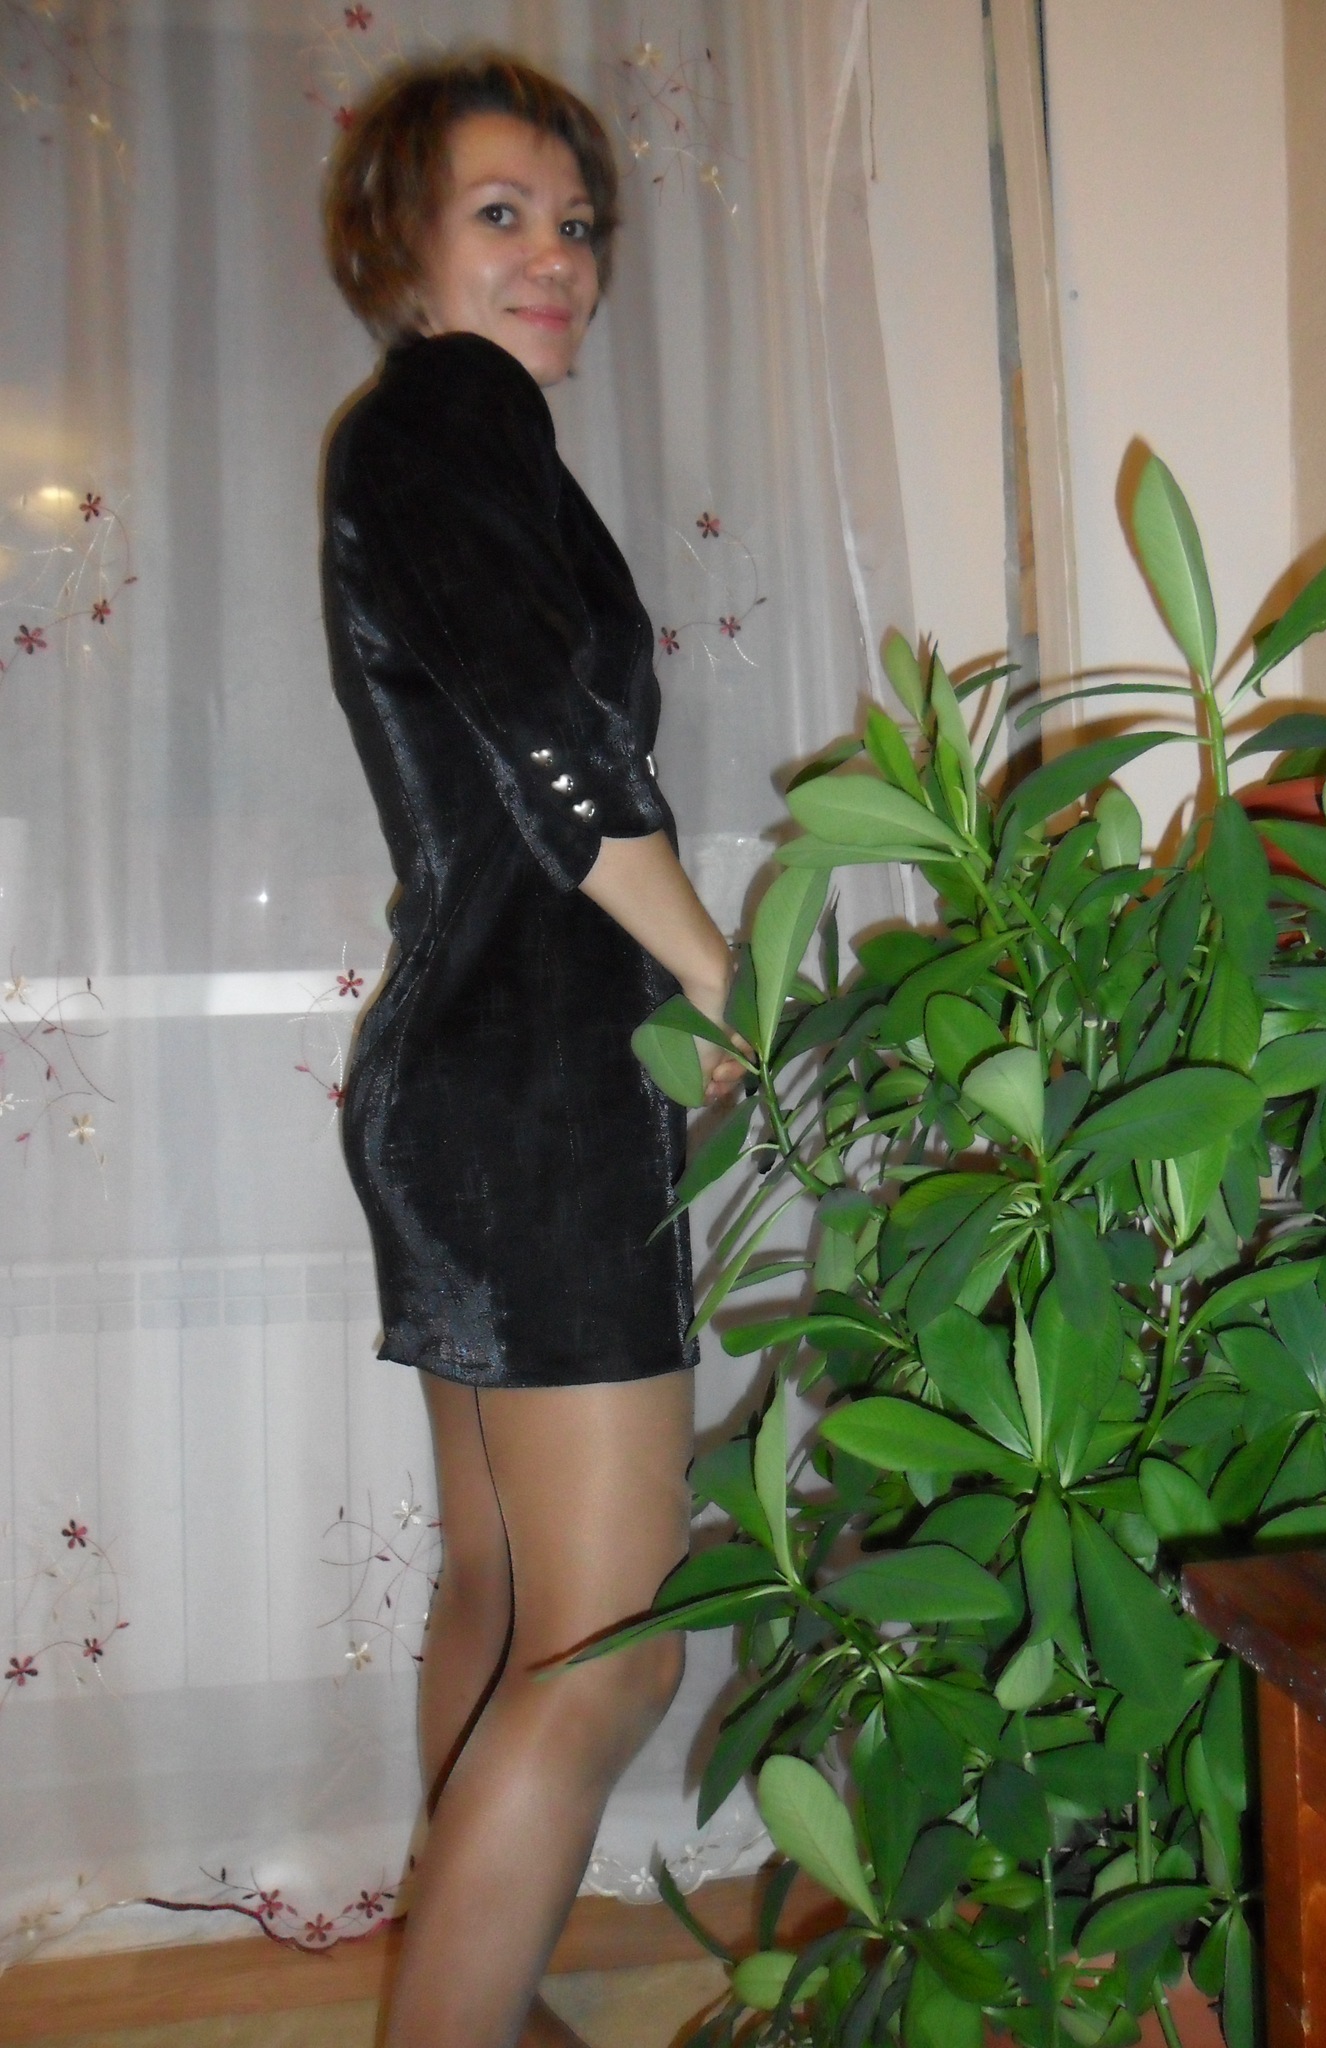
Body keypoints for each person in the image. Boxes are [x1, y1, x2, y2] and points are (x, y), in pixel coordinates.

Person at [320, 52, 741, 2048]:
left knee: (502, 1597)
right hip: (541, 1096)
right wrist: (719, 975)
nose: (556, 254)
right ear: (399, 243)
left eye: (575, 223)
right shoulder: (448, 420)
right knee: (615, 1651)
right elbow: (556, 748)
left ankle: (482, 1997)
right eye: (501, 215)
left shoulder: (435, 440)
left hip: (463, 1082)